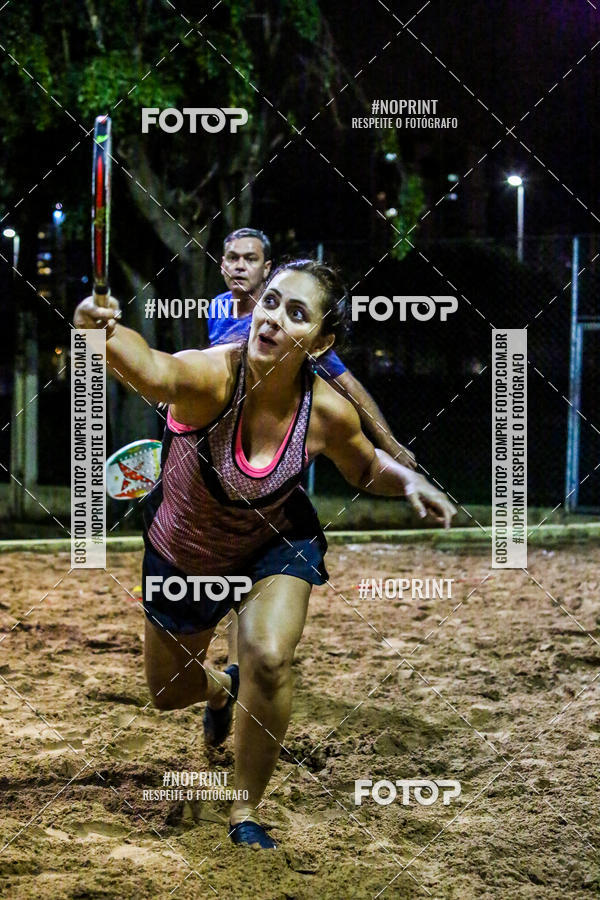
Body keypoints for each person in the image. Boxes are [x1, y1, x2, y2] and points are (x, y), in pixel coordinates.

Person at [74, 259, 456, 850]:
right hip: (185, 553)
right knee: (167, 693)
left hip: (272, 542)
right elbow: (152, 370)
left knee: (270, 657)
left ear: (322, 341)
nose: (273, 318)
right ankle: (223, 687)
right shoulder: (210, 378)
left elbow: (362, 466)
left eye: (296, 313)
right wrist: (98, 331)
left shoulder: (325, 410)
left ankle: (245, 808)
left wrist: (407, 482)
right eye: (272, 302)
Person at [212, 228, 416, 467]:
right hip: (226, 434)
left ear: (266, 268)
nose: (239, 266)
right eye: (233, 258)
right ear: (222, 264)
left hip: (274, 441)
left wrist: (390, 444)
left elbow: (348, 386)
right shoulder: (218, 306)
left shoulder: (295, 329)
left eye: (250, 258)